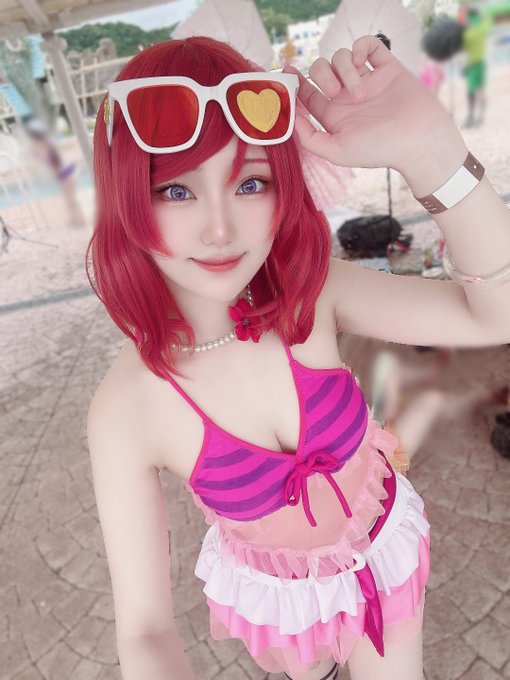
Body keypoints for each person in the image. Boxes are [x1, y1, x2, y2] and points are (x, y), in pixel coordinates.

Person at [86, 34, 510, 680]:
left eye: (250, 181)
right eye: (175, 191)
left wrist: (432, 151)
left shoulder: (311, 293)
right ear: (125, 198)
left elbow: (495, 313)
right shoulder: (127, 410)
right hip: (284, 602)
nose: (220, 228)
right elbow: (145, 630)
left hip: (382, 559)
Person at [461, 7, 492, 127]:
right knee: (481, 89)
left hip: (472, 64)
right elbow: (488, 19)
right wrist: (481, 16)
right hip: (482, 64)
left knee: (471, 91)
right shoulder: (482, 28)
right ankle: (482, 116)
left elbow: (464, 48)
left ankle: (470, 117)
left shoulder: (468, 34)